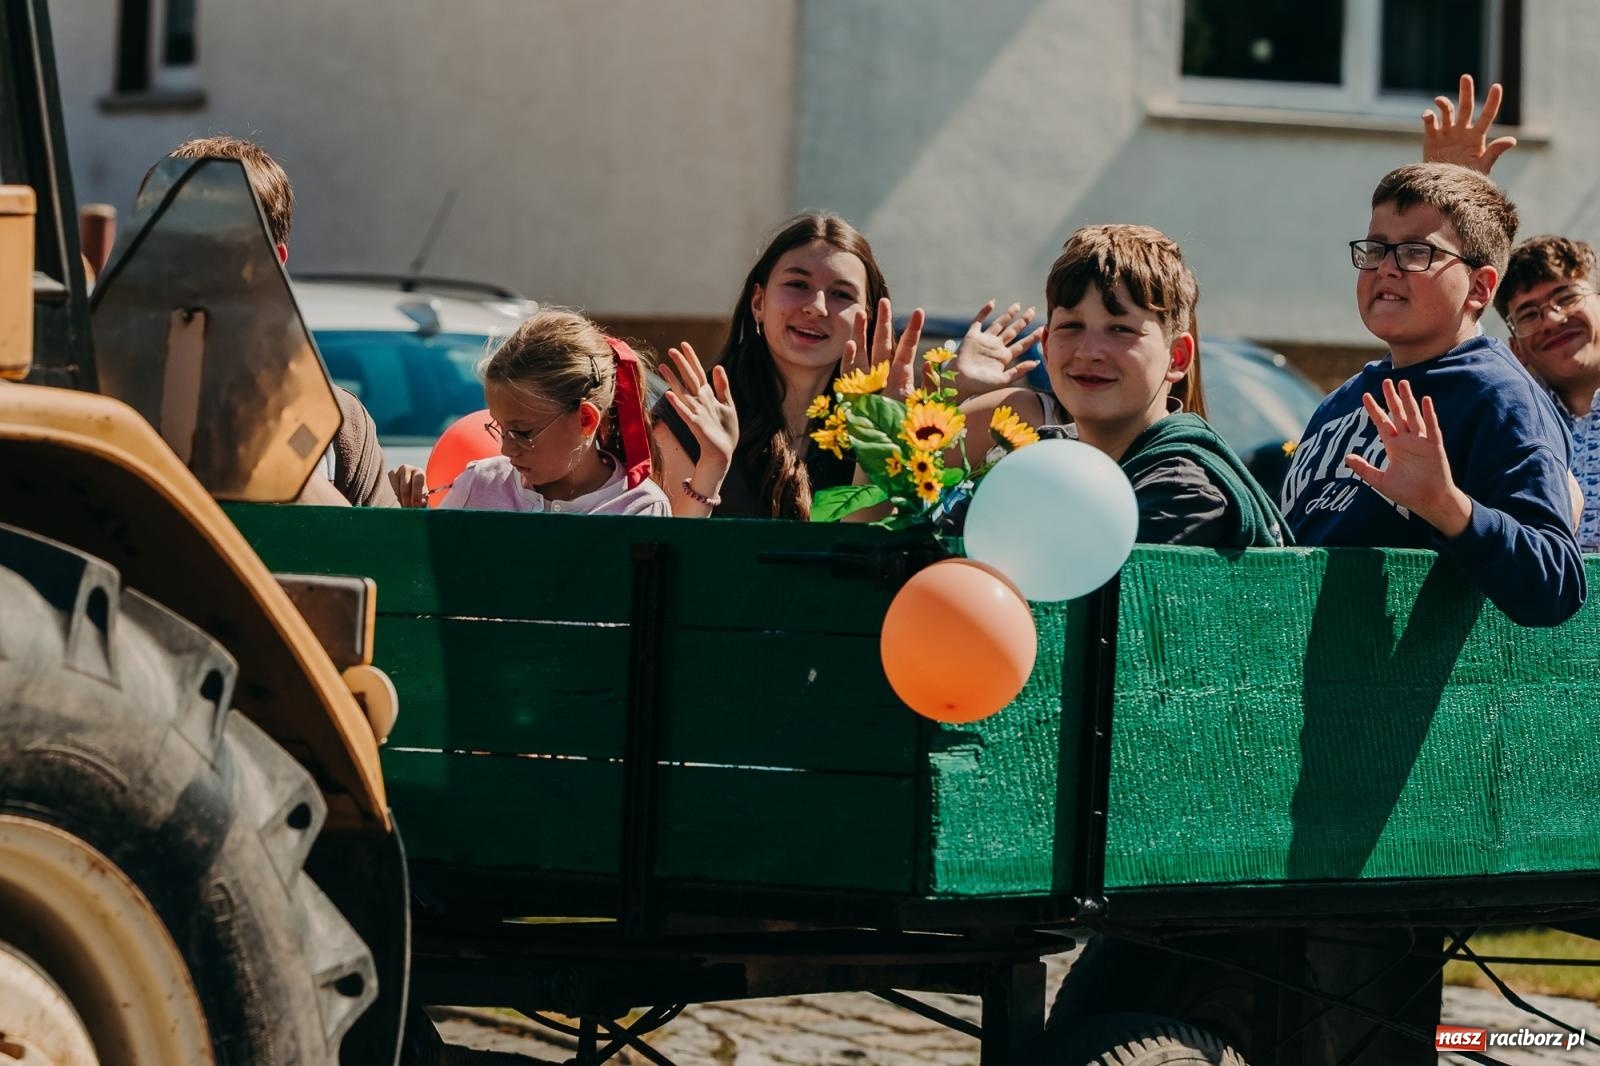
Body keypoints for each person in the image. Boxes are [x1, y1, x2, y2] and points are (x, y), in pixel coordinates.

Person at [1279, 162, 1585, 627]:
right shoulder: (1340, 401)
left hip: (1401, 693)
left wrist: (1446, 506)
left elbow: (1555, 583)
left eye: (1416, 252)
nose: (1386, 268)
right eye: (1377, 248)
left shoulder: (1500, 398)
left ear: (1480, 287)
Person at [651, 211, 1039, 519]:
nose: (817, 307)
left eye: (840, 294)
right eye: (797, 284)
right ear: (758, 302)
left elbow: (875, 540)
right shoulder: (692, 415)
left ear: (866, 319)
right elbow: (672, 556)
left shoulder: (882, 417)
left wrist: (957, 389)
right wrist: (713, 464)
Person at [961, 223, 1288, 547]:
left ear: (1177, 358)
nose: (1088, 352)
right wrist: (942, 396)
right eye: (1071, 325)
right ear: (1046, 347)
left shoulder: (1182, 494)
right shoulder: (1039, 458)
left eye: (1120, 329)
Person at [146, 136, 397, 507]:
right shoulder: (97, 394)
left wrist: (283, 460)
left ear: (273, 261)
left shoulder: (336, 422)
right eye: (160, 237)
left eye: (217, 244)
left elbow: (380, 558)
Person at [1420, 75, 1599, 550]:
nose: (1553, 320)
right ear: (1516, 345)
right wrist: (1451, 198)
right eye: (1530, 313)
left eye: (1566, 298)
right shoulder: (1513, 415)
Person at [400, 309, 669, 516]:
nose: (506, 449)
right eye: (501, 429)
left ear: (586, 419)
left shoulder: (640, 508)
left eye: (522, 432)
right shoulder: (479, 484)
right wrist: (414, 523)